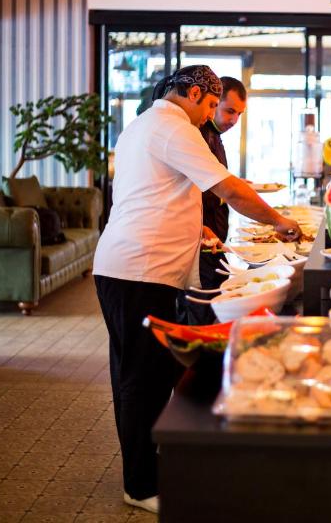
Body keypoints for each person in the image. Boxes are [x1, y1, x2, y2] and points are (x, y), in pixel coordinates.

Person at [92, 65, 301, 514]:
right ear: (191, 94)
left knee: (140, 373)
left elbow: (153, 193)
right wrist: (278, 221)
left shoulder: (145, 124)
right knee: (143, 380)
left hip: (130, 267)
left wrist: (195, 228)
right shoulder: (175, 128)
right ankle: (140, 485)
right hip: (139, 270)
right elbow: (230, 190)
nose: (210, 115)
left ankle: (147, 466)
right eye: (209, 104)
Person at [177, 76, 248, 325]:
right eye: (229, 111)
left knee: (214, 303)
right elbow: (203, 187)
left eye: (239, 114)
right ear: (213, 103)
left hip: (213, 238)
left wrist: (236, 183)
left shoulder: (215, 135)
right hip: (197, 239)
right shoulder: (195, 134)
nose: (234, 120)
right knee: (200, 310)